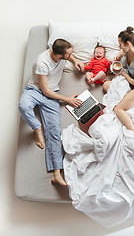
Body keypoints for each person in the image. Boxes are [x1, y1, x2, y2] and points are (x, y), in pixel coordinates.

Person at [19, 39, 84, 186]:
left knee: (55, 132)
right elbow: (45, 90)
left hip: (52, 92)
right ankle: (37, 128)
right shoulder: (42, 62)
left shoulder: (60, 53)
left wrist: (75, 61)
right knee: (23, 106)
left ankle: (56, 173)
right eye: (69, 55)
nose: (71, 55)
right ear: (60, 56)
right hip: (37, 90)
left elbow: (70, 56)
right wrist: (67, 99)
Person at [103, 26, 134, 137]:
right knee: (106, 85)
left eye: (120, 44)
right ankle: (128, 98)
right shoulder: (127, 50)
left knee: (118, 109)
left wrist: (123, 74)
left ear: (128, 43)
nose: (119, 46)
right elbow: (122, 51)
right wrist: (119, 55)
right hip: (131, 82)